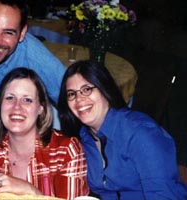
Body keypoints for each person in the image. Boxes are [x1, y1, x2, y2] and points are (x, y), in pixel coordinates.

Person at [58, 60, 187, 200]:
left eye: (87, 89)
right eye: (71, 94)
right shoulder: (83, 138)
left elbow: (162, 195)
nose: (79, 99)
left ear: (104, 89)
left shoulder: (140, 133)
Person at [0, 68, 89, 200]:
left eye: (27, 100)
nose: (17, 107)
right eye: (10, 98)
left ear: (41, 108)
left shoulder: (66, 151)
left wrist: (31, 191)